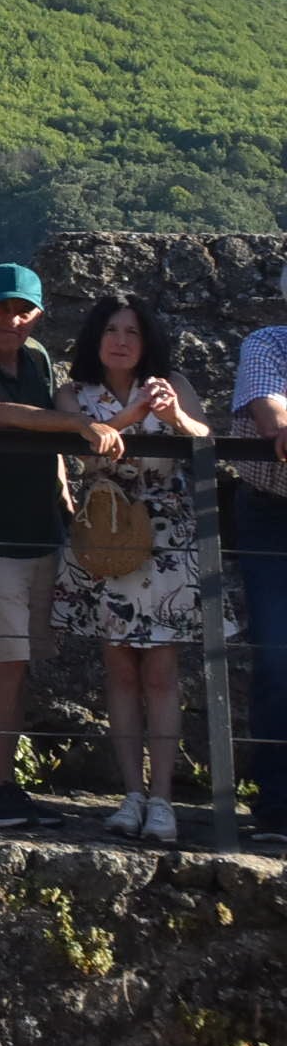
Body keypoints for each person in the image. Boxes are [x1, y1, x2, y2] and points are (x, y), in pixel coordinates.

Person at [0, 262, 123, 832]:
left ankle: (6, 788)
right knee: (6, 658)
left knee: (20, 662)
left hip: (40, 529)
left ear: (38, 314)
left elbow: (40, 427)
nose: (12, 319)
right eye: (2, 307)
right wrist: (76, 430)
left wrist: (63, 485)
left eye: (24, 310)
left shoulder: (38, 358)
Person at [48, 296, 219, 844]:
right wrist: (129, 418)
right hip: (105, 540)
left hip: (166, 542)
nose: (121, 340)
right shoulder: (74, 395)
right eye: (112, 329)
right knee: (119, 673)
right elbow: (88, 456)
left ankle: (164, 798)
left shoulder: (171, 382)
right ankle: (131, 794)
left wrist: (173, 416)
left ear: (148, 342)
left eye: (133, 332)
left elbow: (205, 442)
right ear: (95, 337)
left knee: (162, 674)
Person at [230, 298, 287, 847]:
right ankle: (277, 805)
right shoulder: (269, 343)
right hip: (274, 513)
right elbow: (276, 421)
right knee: (276, 658)